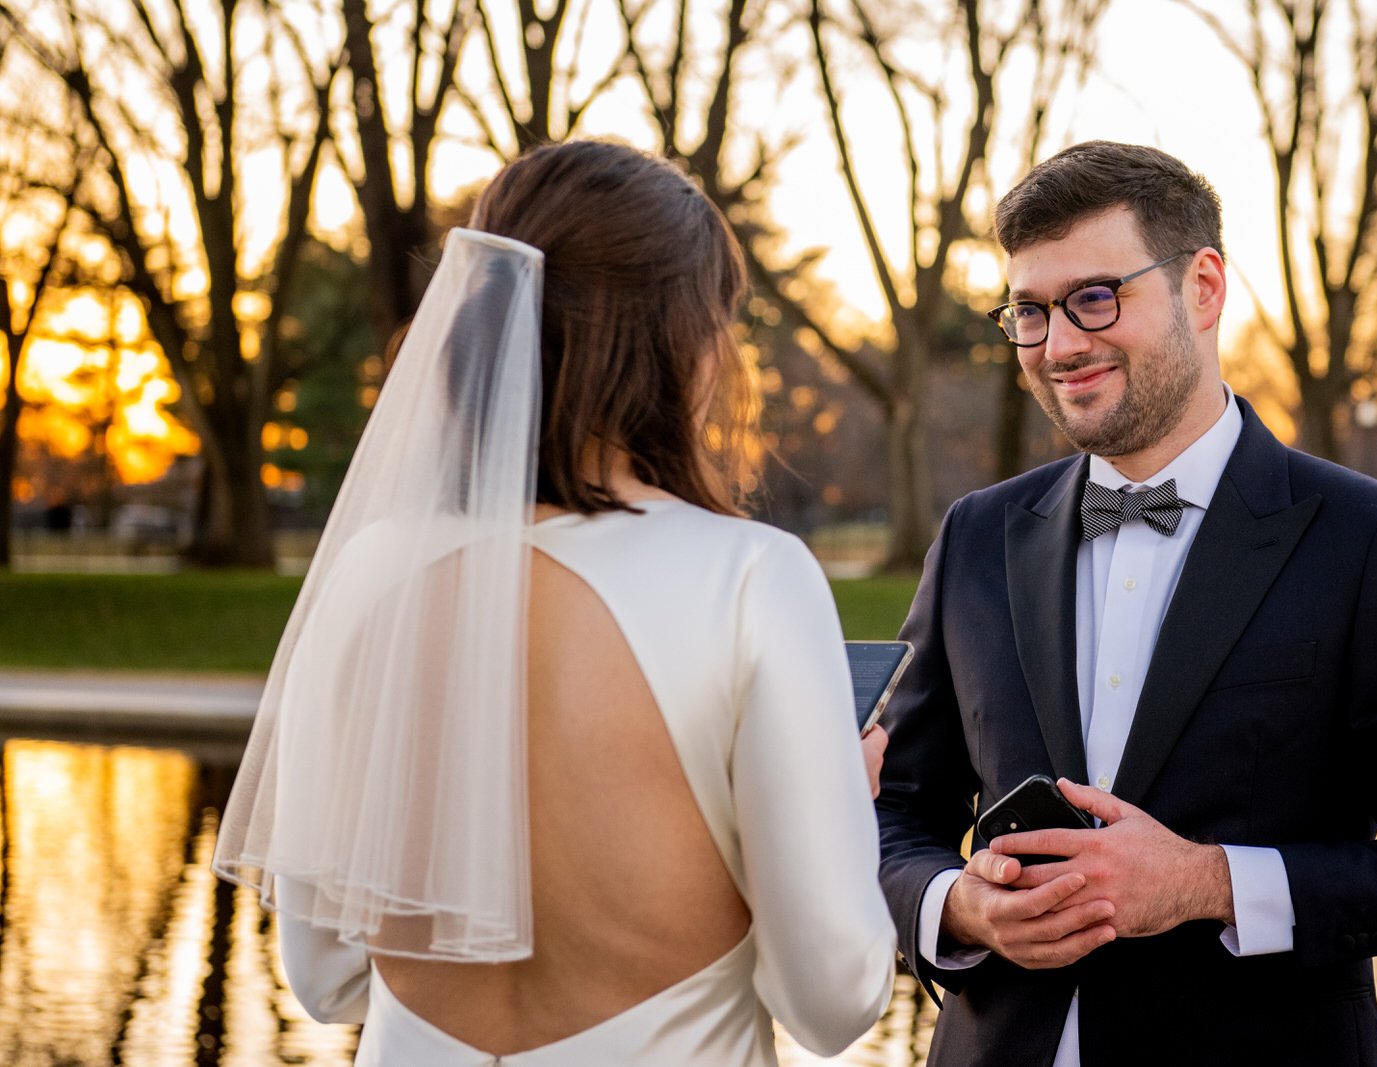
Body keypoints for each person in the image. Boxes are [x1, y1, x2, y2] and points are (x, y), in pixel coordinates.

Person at [212, 139, 896, 1065]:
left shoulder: (368, 578)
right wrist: (841, 807)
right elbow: (833, 998)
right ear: (676, 338)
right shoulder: (749, 578)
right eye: (721, 321)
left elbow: (325, 976)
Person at [873, 141, 1377, 1066]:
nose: (1059, 345)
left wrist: (1207, 882)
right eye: (1029, 311)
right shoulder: (977, 535)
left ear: (1204, 288)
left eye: (1096, 297)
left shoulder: (1369, 539)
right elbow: (894, 810)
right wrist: (956, 905)